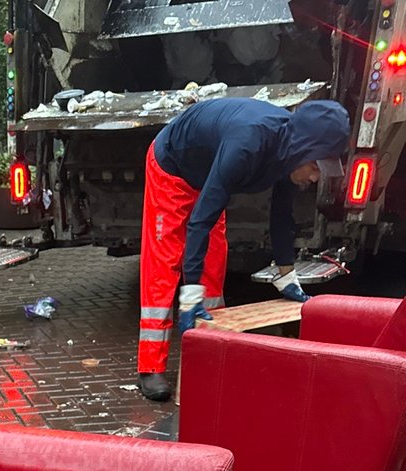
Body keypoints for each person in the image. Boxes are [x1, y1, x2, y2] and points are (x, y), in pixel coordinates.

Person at [137, 97, 350, 402]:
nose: (316, 178)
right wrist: (189, 293)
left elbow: (281, 215)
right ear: (304, 149)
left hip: (211, 173)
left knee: (214, 262)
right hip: (173, 167)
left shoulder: (288, 152)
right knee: (164, 263)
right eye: (316, 167)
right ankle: (151, 366)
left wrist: (286, 274)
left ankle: (209, 352)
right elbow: (198, 221)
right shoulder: (248, 143)